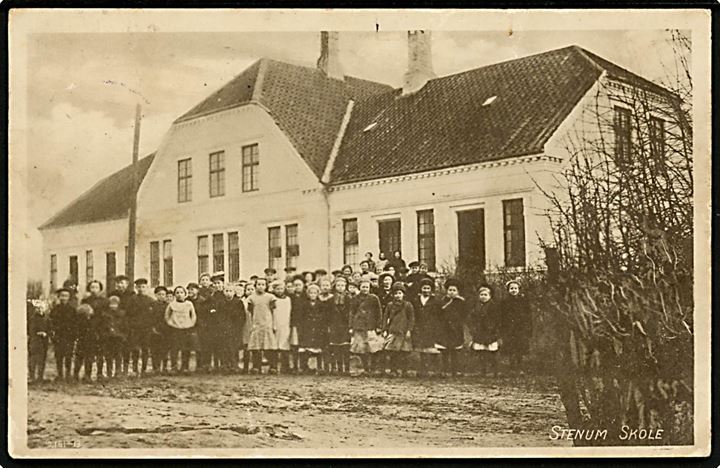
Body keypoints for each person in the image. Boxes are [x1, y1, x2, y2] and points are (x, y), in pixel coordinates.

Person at [349, 279, 382, 376]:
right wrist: (351, 326)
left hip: (371, 326)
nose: (365, 289)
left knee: (373, 348)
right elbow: (352, 313)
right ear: (359, 287)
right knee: (361, 348)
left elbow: (378, 313)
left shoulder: (374, 298)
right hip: (359, 326)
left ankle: (374, 368)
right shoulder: (355, 299)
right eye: (363, 287)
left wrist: (379, 326)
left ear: (369, 288)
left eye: (367, 287)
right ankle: (365, 368)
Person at [382, 282, 415, 377]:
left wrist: (409, 330)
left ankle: (404, 370)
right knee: (393, 353)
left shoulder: (408, 305)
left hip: (403, 332)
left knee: (404, 353)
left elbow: (411, 318)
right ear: (392, 295)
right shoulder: (390, 305)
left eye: (400, 293)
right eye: (395, 293)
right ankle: (394, 370)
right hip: (393, 331)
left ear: (403, 294)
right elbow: (385, 317)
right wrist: (384, 329)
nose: (398, 296)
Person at [246, 277, 278, 374]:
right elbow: (251, 312)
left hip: (267, 324)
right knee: (256, 347)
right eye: (258, 284)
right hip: (257, 325)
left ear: (266, 286)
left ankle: (273, 367)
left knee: (270, 347)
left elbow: (274, 311)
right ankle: (256, 367)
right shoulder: (251, 298)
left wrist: (274, 324)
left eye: (263, 285)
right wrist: (252, 324)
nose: (260, 287)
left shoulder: (270, 297)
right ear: (255, 286)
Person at [467, 285, 501, 376]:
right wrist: (473, 328)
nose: (483, 296)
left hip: (490, 332)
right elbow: (472, 318)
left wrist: (492, 328)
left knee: (492, 352)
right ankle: (483, 370)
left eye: (485, 294)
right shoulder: (476, 307)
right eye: (481, 294)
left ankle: (495, 371)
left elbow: (497, 319)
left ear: (489, 296)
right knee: (481, 353)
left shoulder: (493, 306)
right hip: (479, 332)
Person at [412, 278, 442, 377]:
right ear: (421, 289)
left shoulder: (435, 301)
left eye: (428, 288)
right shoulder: (416, 301)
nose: (426, 290)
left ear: (431, 289)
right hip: (419, 327)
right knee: (421, 349)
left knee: (430, 349)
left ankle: (432, 370)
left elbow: (438, 315)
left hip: (431, 327)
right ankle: (422, 370)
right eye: (424, 288)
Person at [296, 283, 330, 374]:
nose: (313, 295)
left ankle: (319, 367)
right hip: (307, 328)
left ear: (318, 294)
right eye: (311, 293)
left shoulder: (321, 304)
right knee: (306, 348)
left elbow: (324, 316)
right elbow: (301, 317)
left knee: (318, 347)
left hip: (318, 328)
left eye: (315, 293)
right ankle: (304, 367)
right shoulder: (304, 304)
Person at [500, 280, 532, 373]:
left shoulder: (524, 301)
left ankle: (520, 366)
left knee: (520, 348)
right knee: (511, 348)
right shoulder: (505, 302)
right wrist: (503, 329)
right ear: (508, 290)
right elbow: (502, 316)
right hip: (509, 329)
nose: (513, 290)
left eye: (515, 288)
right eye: (511, 288)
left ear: (519, 290)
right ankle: (512, 367)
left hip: (521, 328)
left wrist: (528, 329)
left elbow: (528, 316)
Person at [437, 278, 467, 377]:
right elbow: (439, 314)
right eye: (450, 290)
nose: (452, 292)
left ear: (458, 292)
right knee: (445, 350)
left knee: (455, 351)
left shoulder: (461, 302)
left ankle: (455, 370)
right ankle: (445, 370)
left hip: (456, 329)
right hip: (444, 329)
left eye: (454, 290)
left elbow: (464, 315)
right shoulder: (443, 301)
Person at [164, 286, 197, 374]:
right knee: (174, 349)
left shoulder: (189, 304)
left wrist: (190, 324)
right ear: (174, 295)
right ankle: (174, 367)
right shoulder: (171, 305)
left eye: (181, 292)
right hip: (175, 330)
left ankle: (185, 367)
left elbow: (193, 316)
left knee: (186, 349)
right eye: (177, 293)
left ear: (185, 294)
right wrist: (171, 324)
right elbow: (167, 316)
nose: (179, 295)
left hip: (186, 329)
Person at [82, 280, 109, 381]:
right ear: (89, 289)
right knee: (88, 352)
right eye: (92, 287)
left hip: (101, 329)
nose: (94, 290)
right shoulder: (85, 301)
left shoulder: (105, 301)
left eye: (96, 287)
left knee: (100, 353)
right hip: (89, 329)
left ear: (100, 289)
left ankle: (100, 374)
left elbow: (107, 315)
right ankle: (87, 374)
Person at [127, 278, 155, 376]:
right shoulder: (132, 300)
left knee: (145, 348)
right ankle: (134, 369)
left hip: (146, 328)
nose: (141, 289)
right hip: (135, 328)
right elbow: (128, 314)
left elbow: (153, 316)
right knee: (135, 348)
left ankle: (144, 369)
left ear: (146, 288)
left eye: (143, 287)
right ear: (136, 288)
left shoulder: (151, 300)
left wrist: (151, 326)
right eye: (139, 287)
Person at [215, 284, 245, 373]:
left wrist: (238, 326)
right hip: (223, 328)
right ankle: (224, 364)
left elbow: (242, 316)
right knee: (224, 347)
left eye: (230, 291)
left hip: (234, 328)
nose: (228, 293)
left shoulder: (238, 303)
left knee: (234, 347)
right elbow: (218, 316)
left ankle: (234, 364)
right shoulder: (220, 302)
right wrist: (221, 325)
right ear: (224, 292)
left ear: (234, 292)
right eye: (227, 291)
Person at [49, 288, 76, 381]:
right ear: (59, 297)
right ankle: (60, 374)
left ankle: (68, 374)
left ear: (69, 297)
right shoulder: (55, 309)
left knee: (68, 355)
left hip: (69, 336)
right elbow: (51, 322)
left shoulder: (72, 310)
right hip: (58, 336)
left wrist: (74, 335)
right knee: (59, 356)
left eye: (66, 296)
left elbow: (75, 323)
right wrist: (53, 334)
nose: (64, 298)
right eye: (62, 296)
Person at [327, 276, 351, 375]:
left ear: (345, 286)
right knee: (335, 348)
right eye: (338, 285)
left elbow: (351, 312)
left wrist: (350, 325)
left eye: (342, 285)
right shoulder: (331, 300)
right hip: (334, 325)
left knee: (345, 348)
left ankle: (346, 368)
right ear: (335, 286)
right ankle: (336, 367)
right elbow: (327, 314)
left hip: (345, 326)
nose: (340, 287)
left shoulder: (349, 299)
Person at [73, 302, 101, 383]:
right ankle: (81, 375)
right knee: (83, 359)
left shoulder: (90, 321)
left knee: (84, 359)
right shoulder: (82, 322)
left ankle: (82, 375)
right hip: (85, 342)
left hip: (88, 342)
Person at [102, 295, 129, 379]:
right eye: (111, 304)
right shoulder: (105, 315)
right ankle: (109, 372)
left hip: (118, 338)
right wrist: (104, 334)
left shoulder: (122, 314)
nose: (113, 306)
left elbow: (126, 327)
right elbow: (102, 326)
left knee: (118, 355)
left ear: (118, 304)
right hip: (108, 338)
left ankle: (117, 372)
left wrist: (123, 336)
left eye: (115, 304)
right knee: (108, 356)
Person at [272, 280, 293, 373]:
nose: (280, 291)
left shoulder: (288, 299)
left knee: (285, 346)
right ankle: (274, 366)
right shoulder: (272, 299)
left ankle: (285, 367)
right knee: (274, 346)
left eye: (281, 289)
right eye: (277, 289)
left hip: (285, 324)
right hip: (275, 323)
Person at [149, 286, 171, 373]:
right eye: (159, 294)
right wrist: (152, 328)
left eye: (163, 294)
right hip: (155, 329)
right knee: (155, 349)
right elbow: (150, 318)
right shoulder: (152, 305)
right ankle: (156, 367)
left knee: (165, 349)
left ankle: (164, 367)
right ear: (156, 295)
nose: (161, 296)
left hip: (166, 330)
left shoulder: (168, 306)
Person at [28, 302, 50, 383]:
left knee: (42, 359)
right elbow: (30, 329)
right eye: (38, 308)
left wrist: (47, 333)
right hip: (35, 341)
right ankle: (32, 376)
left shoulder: (46, 319)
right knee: (33, 359)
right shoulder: (33, 318)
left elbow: (49, 329)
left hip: (44, 342)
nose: (40, 309)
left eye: (42, 308)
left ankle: (40, 376)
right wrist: (39, 333)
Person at [240, 282, 256, 373]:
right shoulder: (243, 301)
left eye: (252, 289)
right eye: (248, 290)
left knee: (255, 346)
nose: (250, 291)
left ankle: (256, 366)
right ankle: (245, 367)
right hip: (246, 324)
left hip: (255, 323)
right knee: (246, 346)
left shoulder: (257, 300)